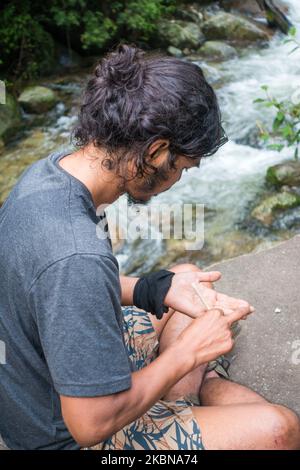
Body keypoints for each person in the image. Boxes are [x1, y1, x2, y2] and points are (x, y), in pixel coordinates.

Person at [0, 44, 299, 451]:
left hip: (41, 375)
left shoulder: (54, 173)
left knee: (186, 280)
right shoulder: (74, 256)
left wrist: (149, 289)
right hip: (66, 435)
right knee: (280, 431)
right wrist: (189, 354)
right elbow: (90, 425)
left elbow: (47, 286)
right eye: (181, 168)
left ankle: (181, 399)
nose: (178, 180)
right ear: (156, 152)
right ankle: (191, 393)